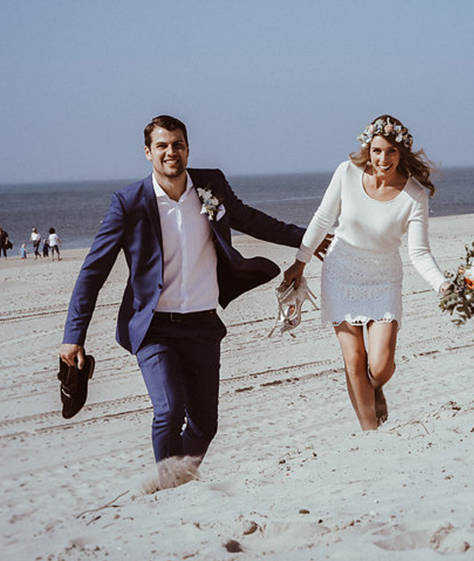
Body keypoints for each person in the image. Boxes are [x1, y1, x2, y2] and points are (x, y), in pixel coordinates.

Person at [59, 114, 320, 487]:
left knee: (205, 424)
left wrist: (306, 239)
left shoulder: (210, 184)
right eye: (162, 146)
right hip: (154, 326)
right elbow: (93, 271)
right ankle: (168, 491)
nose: (171, 152)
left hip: (202, 323)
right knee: (169, 409)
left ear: (187, 149)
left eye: (177, 145)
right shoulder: (129, 203)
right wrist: (74, 335)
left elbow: (249, 219)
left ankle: (178, 481)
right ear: (147, 152)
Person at [281, 115, 450, 431]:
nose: (382, 159)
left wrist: (442, 284)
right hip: (340, 273)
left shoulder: (414, 195)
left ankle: (376, 388)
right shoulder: (346, 173)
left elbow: (419, 252)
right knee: (354, 360)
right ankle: (370, 435)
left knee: (380, 366)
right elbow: (322, 219)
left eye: (390, 152)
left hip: (384, 280)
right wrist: (300, 261)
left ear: (402, 152)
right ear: (368, 149)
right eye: (376, 151)